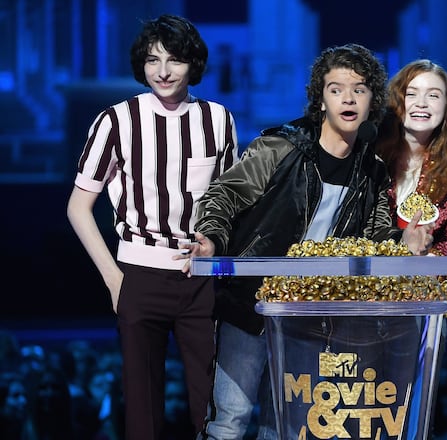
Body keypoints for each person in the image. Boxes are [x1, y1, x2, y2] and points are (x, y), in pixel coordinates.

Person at [177, 43, 434, 440]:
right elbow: (224, 195)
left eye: (359, 89)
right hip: (249, 305)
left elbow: (376, 238)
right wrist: (211, 239)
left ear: (371, 102)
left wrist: (406, 242)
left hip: (306, 318)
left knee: (286, 428)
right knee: (230, 422)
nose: (348, 98)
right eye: (336, 89)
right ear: (321, 100)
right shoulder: (280, 147)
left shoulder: (372, 171)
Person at [66, 14, 239, 439]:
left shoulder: (218, 119)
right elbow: (78, 207)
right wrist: (113, 279)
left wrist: (214, 243)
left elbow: (230, 202)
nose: (162, 71)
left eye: (174, 60)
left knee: (213, 409)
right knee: (142, 414)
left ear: (192, 64)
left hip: (199, 277)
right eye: (152, 60)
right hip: (136, 275)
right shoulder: (116, 121)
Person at [376, 59, 447, 257]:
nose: (421, 103)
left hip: (427, 280)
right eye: (411, 94)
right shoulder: (373, 154)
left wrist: (426, 260)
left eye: (433, 95)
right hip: (370, 278)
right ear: (396, 100)